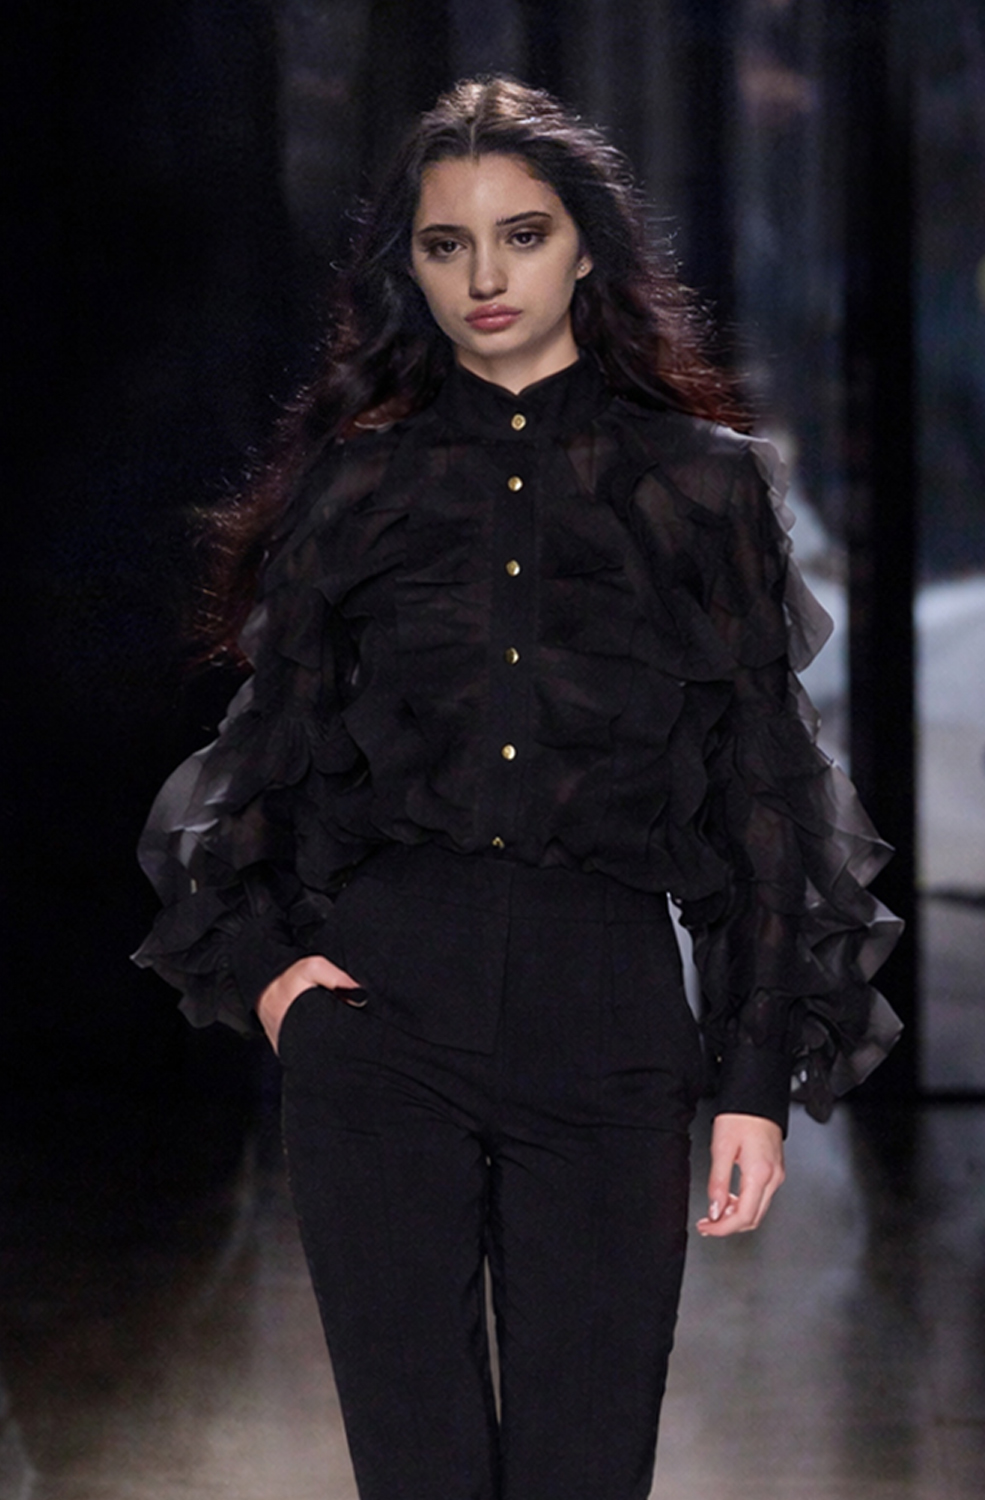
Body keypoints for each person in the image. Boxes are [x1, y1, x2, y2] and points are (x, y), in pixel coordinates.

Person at [134, 76, 903, 1500]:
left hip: (606, 1025)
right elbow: (264, 766)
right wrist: (277, 980)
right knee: (416, 1475)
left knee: (585, 1472)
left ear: (587, 248)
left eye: (523, 234)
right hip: (380, 1028)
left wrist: (752, 1081)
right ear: (411, 268)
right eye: (447, 244)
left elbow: (759, 793)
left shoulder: (703, 489)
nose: (485, 276)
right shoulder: (355, 490)